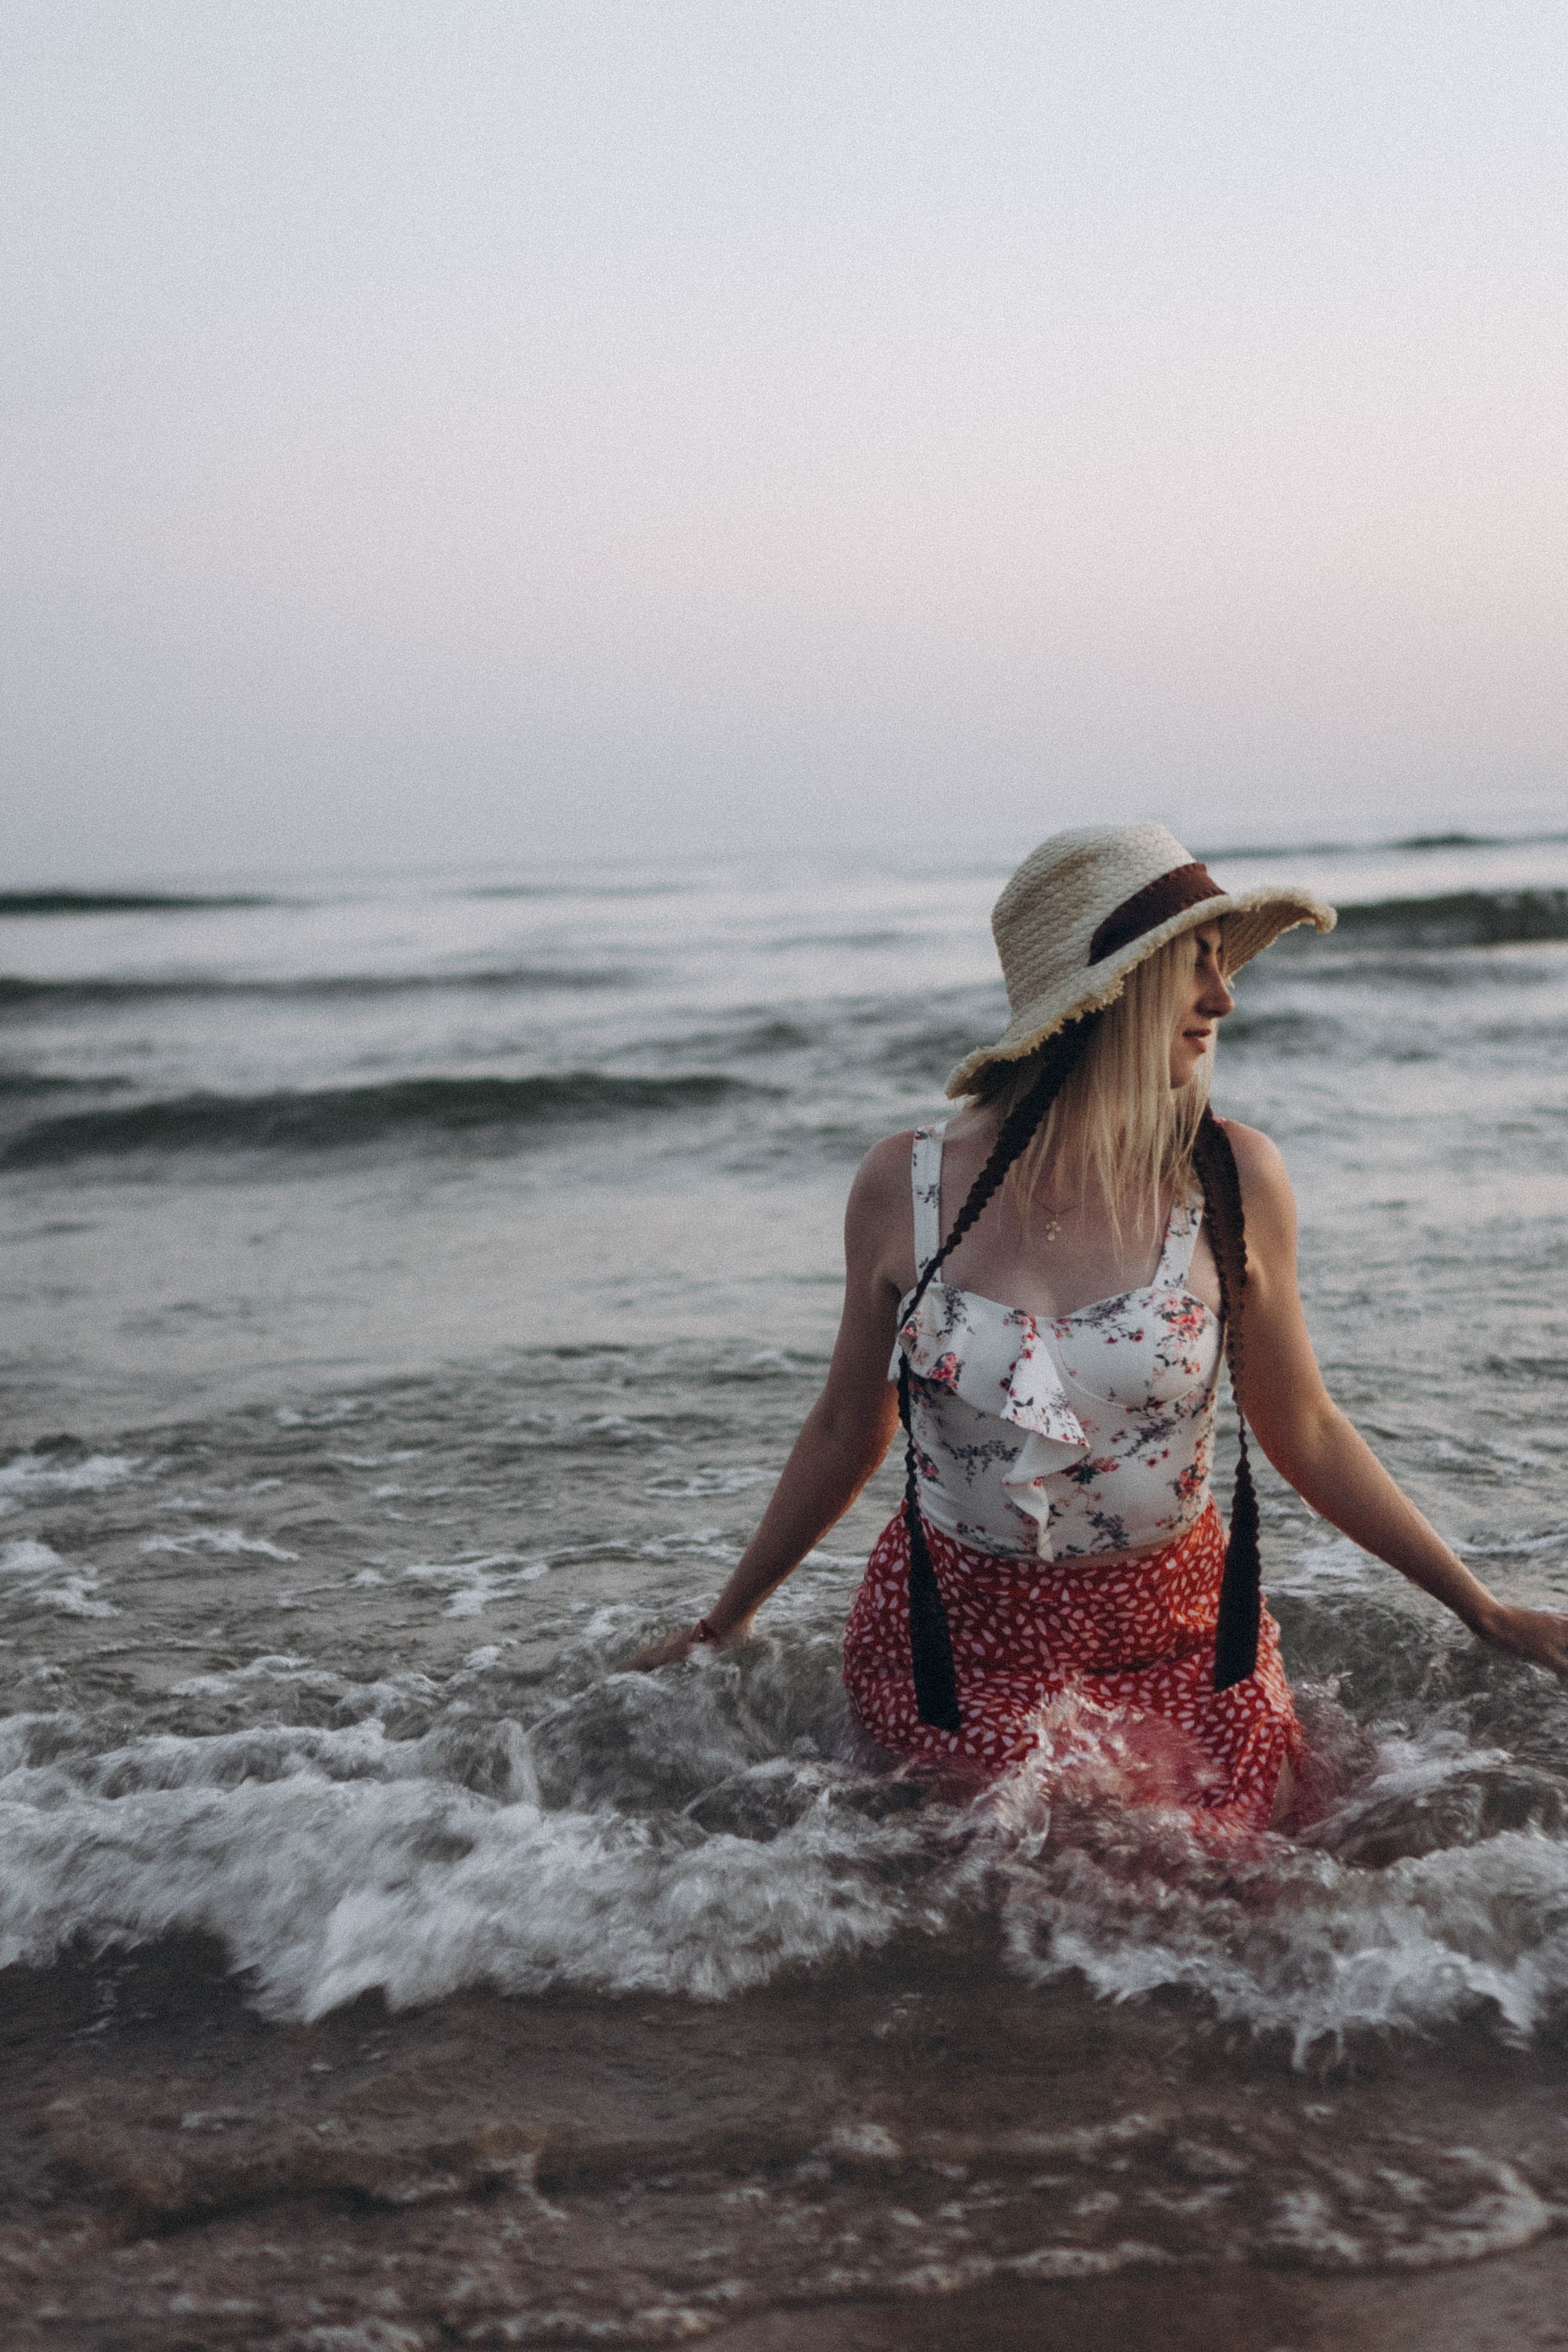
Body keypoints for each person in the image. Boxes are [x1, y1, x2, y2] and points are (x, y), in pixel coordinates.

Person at [631, 823, 1568, 1835]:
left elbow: (1305, 1427)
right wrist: (723, 1623)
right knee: (1013, 1862)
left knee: (1216, 1865)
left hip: (1180, 1634)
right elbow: (843, 1431)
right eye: (1195, 968)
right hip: (955, 1641)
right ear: (1105, 994)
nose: (1224, 998)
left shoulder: (1230, 1181)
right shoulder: (899, 1186)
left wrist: (1482, 1608)